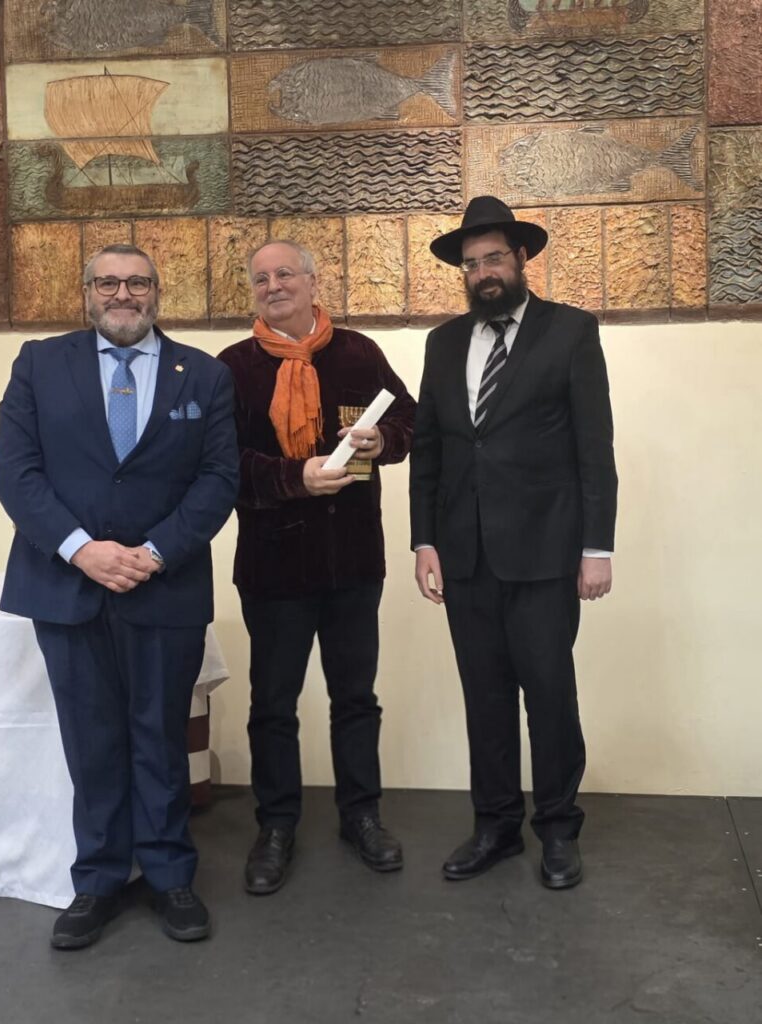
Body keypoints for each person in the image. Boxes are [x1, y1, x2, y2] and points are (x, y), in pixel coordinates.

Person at [0, 243, 238, 947]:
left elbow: (219, 481)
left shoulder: (208, 375)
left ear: (158, 292)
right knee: (91, 740)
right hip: (67, 587)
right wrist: (83, 550)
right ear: (87, 292)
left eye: (136, 282)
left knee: (159, 735)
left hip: (165, 588)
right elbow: (15, 472)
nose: (122, 294)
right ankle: (97, 879)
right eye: (108, 282)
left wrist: (154, 553)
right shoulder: (41, 364)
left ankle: (168, 876)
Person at [409, 196, 617, 890]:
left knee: (550, 695)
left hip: (545, 555)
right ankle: (495, 825)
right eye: (471, 264)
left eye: (494, 257)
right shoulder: (442, 344)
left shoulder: (569, 333)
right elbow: (430, 452)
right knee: (485, 698)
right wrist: (423, 542)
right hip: (465, 557)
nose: (483, 272)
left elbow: (595, 447)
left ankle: (557, 828)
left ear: (521, 259)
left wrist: (597, 548)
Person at [217, 240, 416, 894]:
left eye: (285, 274)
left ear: (311, 281)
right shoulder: (234, 368)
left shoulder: (358, 353)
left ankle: (361, 815)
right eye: (261, 277)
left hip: (354, 561)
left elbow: (412, 424)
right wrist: (295, 478)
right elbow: (224, 471)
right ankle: (276, 826)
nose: (273, 285)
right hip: (273, 570)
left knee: (355, 699)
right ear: (254, 290)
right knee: (273, 704)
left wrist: (383, 439)